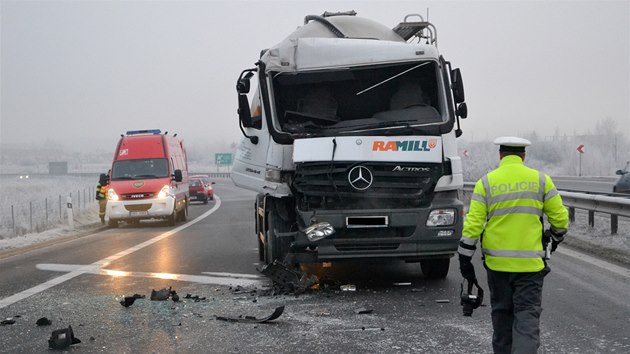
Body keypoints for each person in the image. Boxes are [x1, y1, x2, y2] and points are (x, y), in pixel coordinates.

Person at [458, 136, 569, 353]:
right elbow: (560, 220)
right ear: (523, 156)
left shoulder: (486, 183)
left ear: (501, 155)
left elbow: (473, 225)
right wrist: (555, 238)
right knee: (527, 318)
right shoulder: (541, 180)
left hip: (497, 266)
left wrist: (465, 256)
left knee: (501, 317)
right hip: (530, 268)